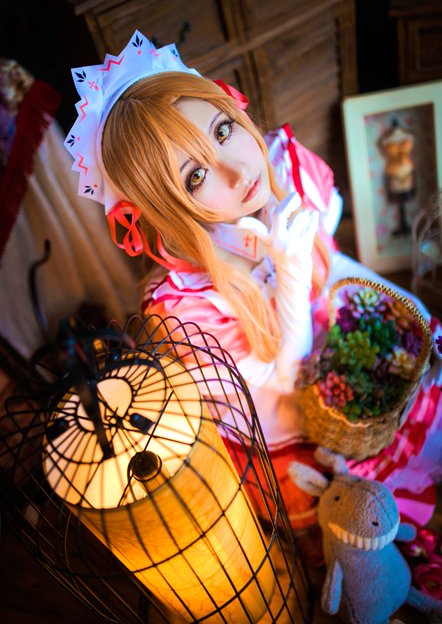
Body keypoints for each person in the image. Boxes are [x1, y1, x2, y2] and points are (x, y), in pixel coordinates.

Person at [64, 30, 441, 539]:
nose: (238, 170)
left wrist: (415, 318)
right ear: (166, 208)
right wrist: (290, 272)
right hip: (302, 410)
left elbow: (335, 262)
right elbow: (294, 379)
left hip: (339, 333)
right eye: (195, 177)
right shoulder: (187, 309)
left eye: (223, 129)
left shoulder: (283, 165)